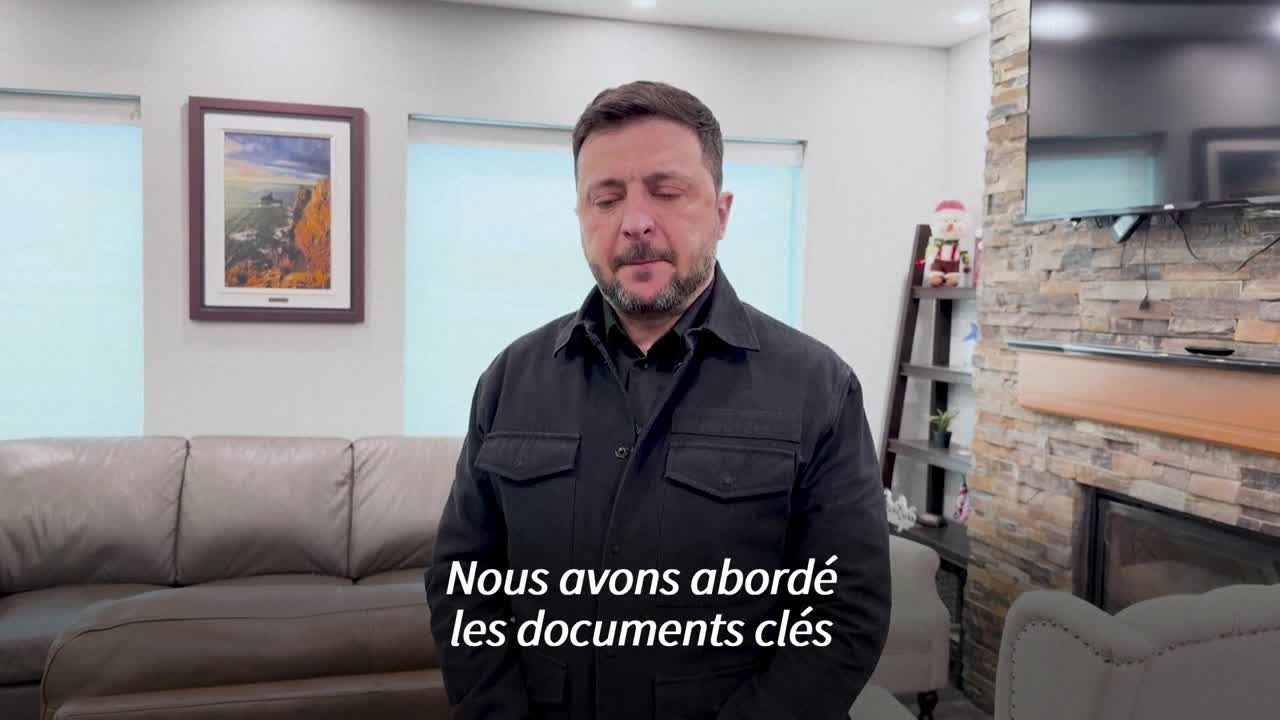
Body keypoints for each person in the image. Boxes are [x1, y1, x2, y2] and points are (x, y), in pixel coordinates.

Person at [424, 80, 891, 720]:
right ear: (582, 216)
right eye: (606, 198)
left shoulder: (818, 387)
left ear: (721, 212)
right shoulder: (510, 380)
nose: (635, 221)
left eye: (666, 192)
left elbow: (844, 614)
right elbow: (463, 583)